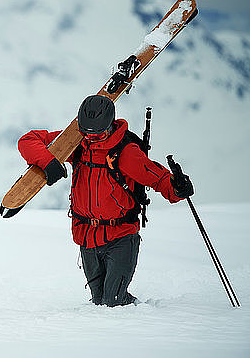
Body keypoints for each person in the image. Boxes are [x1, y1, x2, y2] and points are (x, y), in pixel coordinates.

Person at [17, 95, 194, 306]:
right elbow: (28, 140)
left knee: (113, 301)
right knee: (99, 302)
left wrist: (178, 187)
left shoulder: (126, 152)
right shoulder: (77, 144)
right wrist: (47, 162)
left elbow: (160, 180)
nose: (91, 138)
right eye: (86, 132)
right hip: (86, 236)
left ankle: (147, 316)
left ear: (109, 125)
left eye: (97, 133)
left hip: (120, 237)